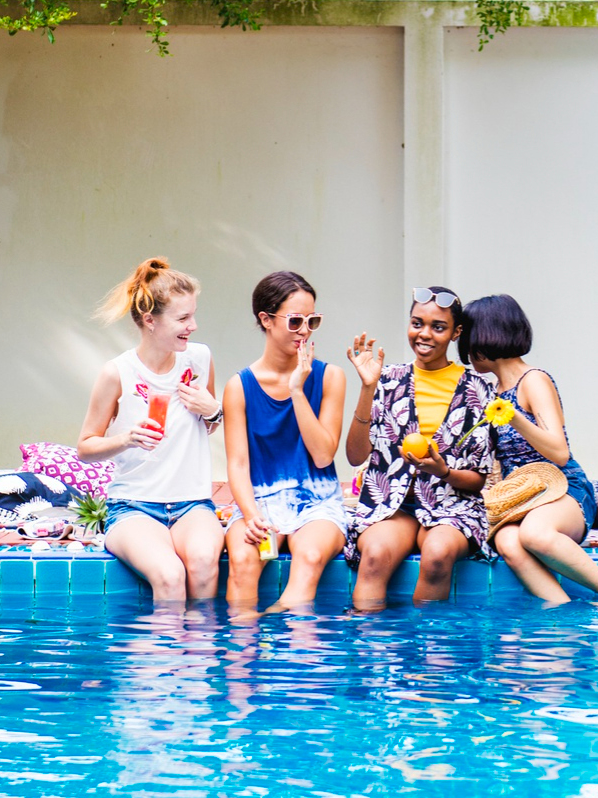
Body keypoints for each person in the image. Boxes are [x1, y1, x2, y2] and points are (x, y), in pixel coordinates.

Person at [460, 293, 598, 605]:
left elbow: (560, 451)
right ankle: (563, 614)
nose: (466, 352)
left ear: (485, 337)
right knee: (508, 542)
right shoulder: (490, 391)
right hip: (521, 498)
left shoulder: (533, 380)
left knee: (533, 534)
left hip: (564, 491)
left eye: (467, 339)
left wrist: (515, 419)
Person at [79, 258, 225, 600]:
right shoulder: (117, 373)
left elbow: (211, 425)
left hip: (192, 503)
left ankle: (200, 652)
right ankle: (163, 654)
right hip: (133, 505)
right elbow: (85, 447)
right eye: (183, 318)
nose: (194, 325)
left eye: (193, 314)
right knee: (170, 575)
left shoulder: (199, 360)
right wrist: (127, 438)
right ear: (150, 320)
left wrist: (214, 410)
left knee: (204, 563)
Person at [345, 286, 494, 608]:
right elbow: (355, 455)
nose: (424, 334)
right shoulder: (386, 379)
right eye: (417, 323)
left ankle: (429, 650)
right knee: (373, 556)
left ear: (456, 333)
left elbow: (479, 480)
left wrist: (445, 471)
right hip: (391, 507)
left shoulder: (477, 390)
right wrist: (367, 389)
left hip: (452, 507)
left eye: (437, 327)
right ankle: (372, 653)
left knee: (438, 555)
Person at [223, 271, 348, 609]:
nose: (305, 331)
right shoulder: (239, 386)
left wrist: (297, 391)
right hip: (260, 503)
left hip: (317, 502)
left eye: (313, 321)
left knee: (307, 557)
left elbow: (323, 456)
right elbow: (237, 463)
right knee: (244, 562)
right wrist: (250, 515)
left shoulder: (331, 377)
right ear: (266, 319)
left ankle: (288, 647)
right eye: (295, 321)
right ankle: (243, 654)